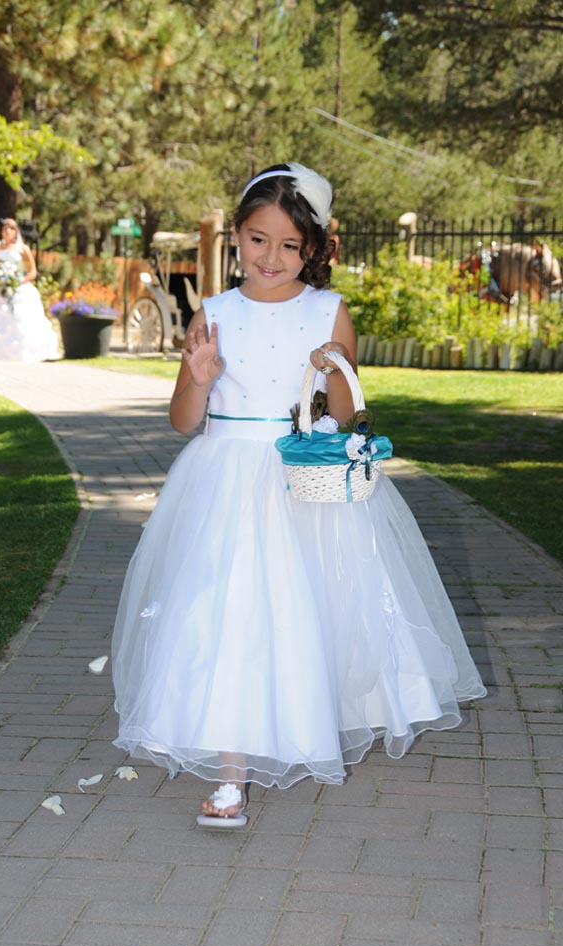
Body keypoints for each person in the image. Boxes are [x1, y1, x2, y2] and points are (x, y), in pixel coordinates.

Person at [111, 162, 486, 828]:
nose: (272, 257)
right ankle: (231, 775)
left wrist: (326, 369)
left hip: (299, 479)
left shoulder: (328, 311)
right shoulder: (216, 312)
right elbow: (182, 421)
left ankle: (309, 715)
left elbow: (341, 414)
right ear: (237, 236)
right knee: (227, 614)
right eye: (258, 240)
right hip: (222, 481)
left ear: (313, 248)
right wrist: (198, 376)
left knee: (307, 607)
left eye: (290, 245)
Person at [0, 218, 60, 362]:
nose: (7, 232)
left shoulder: (23, 249)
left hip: (19, 288)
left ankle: (24, 353)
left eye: (11, 229)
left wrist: (18, 282)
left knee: (21, 319)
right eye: (5, 229)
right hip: (0, 288)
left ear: (15, 232)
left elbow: (33, 271)